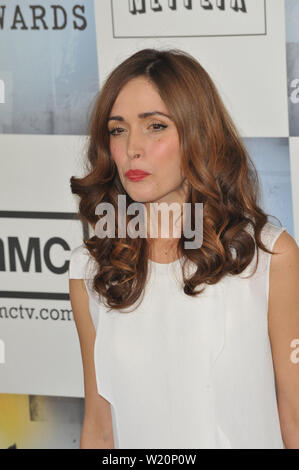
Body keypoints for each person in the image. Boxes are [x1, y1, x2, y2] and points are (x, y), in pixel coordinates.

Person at [68, 48, 299, 449]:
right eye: (118, 130)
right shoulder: (91, 270)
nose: (132, 149)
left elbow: (294, 416)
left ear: (198, 134)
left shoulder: (267, 259)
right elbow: (100, 425)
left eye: (155, 126)